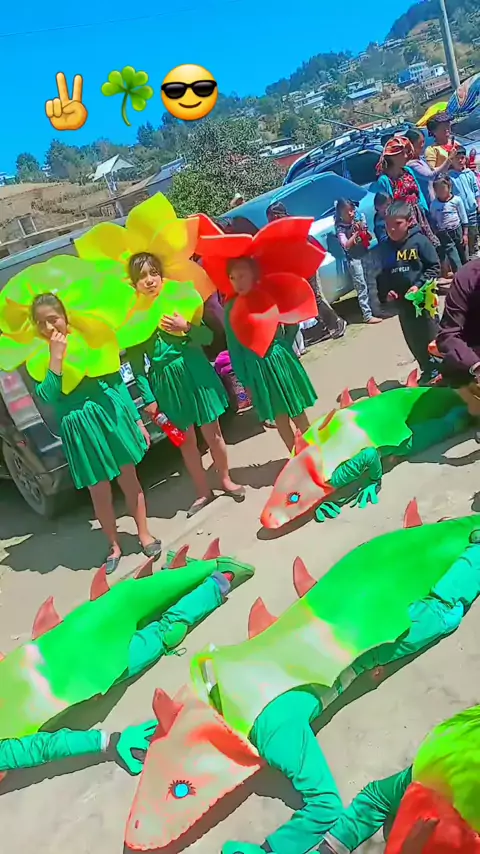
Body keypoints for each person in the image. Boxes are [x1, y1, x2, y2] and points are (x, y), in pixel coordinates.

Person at [223, 531, 480, 854]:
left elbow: (328, 809)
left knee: (441, 615)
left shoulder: (274, 730)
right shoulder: (263, 717)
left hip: (359, 643)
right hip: (349, 640)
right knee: (437, 614)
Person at [0, 560, 253, 778]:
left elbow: (44, 747)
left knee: (165, 632)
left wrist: (109, 742)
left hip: (92, 670)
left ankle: (218, 580)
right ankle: (190, 571)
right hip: (61, 645)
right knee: (133, 613)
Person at [32, 293, 161, 575]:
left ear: (65, 316)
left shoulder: (90, 339)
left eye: (53, 319)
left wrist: (137, 421)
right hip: (78, 425)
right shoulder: (39, 358)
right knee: (99, 491)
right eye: (41, 323)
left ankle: (144, 534)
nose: (48, 327)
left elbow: (115, 381)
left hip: (108, 414)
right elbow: (47, 396)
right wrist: (56, 358)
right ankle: (114, 546)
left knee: (129, 479)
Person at [126, 252, 245, 519]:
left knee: (213, 433)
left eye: (153, 273)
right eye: (142, 277)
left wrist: (187, 326)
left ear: (162, 275)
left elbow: (208, 337)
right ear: (134, 284)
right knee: (186, 441)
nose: (149, 280)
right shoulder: (135, 322)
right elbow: (137, 368)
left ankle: (226, 480)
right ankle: (203, 492)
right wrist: (149, 400)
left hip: (196, 371)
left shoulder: (181, 301)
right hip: (167, 382)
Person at [224, 256, 318, 451]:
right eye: (232, 278)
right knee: (279, 417)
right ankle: (296, 456)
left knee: (297, 409)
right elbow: (234, 347)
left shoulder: (267, 295)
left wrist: (284, 347)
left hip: (279, 359)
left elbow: (292, 322)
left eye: (242, 276)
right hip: (256, 368)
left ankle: (316, 452)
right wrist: (245, 380)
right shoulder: (231, 308)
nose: (237, 282)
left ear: (254, 274)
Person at [378, 201, 440, 385]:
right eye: (388, 225)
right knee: (413, 338)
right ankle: (427, 369)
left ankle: (441, 369)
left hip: (424, 302)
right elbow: (383, 274)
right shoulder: (386, 248)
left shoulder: (419, 241)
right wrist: (386, 292)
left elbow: (434, 267)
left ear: (409, 222)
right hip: (403, 305)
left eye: (397, 224)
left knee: (431, 335)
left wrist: (419, 285)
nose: (392, 229)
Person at [266, 201, 347, 340]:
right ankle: (325, 326)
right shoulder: (282, 229)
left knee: (316, 298)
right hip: (298, 269)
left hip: (307, 266)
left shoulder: (291, 227)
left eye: (270, 218)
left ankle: (336, 323)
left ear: (276, 216)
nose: (269, 222)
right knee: (309, 300)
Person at [436, 258, 480, 442]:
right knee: (452, 363)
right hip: (474, 345)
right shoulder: (466, 277)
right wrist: (476, 366)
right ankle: (474, 407)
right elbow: (448, 335)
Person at [375, 136, 438, 248]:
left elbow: (419, 193)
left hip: (420, 215)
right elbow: (387, 208)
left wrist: (426, 212)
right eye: (402, 154)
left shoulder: (408, 171)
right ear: (392, 157)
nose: (406, 156)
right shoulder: (385, 180)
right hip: (404, 222)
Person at [334, 198, 382, 325]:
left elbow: (369, 237)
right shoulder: (341, 229)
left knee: (371, 283)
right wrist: (355, 234)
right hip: (354, 260)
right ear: (340, 214)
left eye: (352, 210)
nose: (351, 214)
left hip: (365, 255)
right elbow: (346, 245)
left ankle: (376, 310)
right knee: (362, 286)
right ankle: (367, 315)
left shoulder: (357, 221)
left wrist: (364, 231)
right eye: (347, 212)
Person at [405, 126, 457, 203]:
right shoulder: (411, 164)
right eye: (420, 143)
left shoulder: (420, 159)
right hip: (426, 203)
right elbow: (430, 175)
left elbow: (436, 171)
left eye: (423, 141)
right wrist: (449, 159)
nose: (423, 145)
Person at [430, 175, 468, 273]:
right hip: (444, 233)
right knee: (453, 256)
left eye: (443, 188)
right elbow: (433, 219)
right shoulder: (434, 204)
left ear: (449, 187)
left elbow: (463, 217)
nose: (441, 192)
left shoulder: (456, 200)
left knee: (463, 254)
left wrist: (465, 234)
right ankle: (459, 275)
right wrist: (436, 231)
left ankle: (468, 273)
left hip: (457, 230)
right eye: (438, 189)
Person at [448, 146, 480, 258]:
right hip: (459, 213)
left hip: (472, 210)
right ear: (451, 160)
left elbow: (476, 190)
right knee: (462, 236)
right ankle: (465, 257)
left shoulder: (470, 173)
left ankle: (474, 254)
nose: (460, 161)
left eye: (462, 158)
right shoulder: (450, 176)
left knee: (473, 233)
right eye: (457, 158)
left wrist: (478, 203)